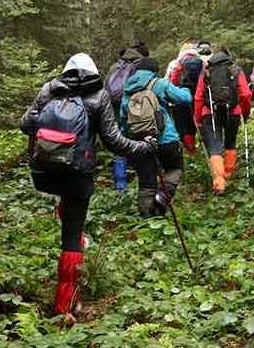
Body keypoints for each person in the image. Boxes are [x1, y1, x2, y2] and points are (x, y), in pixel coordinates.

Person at [20, 53, 155, 319]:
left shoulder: (49, 89)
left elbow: (25, 124)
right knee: (71, 239)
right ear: (94, 73)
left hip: (45, 172)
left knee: (68, 213)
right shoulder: (98, 96)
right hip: (77, 175)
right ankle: (67, 305)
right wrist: (144, 146)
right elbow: (114, 141)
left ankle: (79, 240)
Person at [119, 56, 192, 217]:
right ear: (154, 71)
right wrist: (185, 89)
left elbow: (123, 118)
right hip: (166, 139)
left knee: (146, 181)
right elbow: (185, 99)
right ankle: (162, 197)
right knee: (175, 168)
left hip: (140, 142)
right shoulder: (159, 83)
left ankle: (147, 216)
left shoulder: (127, 90)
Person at [193, 46, 252, 193]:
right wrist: (245, 113)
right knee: (230, 143)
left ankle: (219, 183)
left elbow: (199, 97)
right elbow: (245, 94)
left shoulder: (206, 71)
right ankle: (229, 175)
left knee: (214, 146)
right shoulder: (235, 69)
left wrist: (198, 118)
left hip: (209, 113)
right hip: (233, 112)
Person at [104, 45, 145, 189]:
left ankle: (120, 182)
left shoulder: (115, 66)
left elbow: (106, 87)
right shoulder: (141, 65)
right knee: (137, 137)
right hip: (134, 107)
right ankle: (139, 175)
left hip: (115, 107)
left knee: (119, 141)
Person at [168, 43, 203, 155]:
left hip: (182, 97)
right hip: (199, 97)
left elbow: (172, 82)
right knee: (200, 123)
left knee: (187, 127)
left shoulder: (176, 63)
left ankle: (191, 152)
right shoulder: (201, 61)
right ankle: (206, 149)